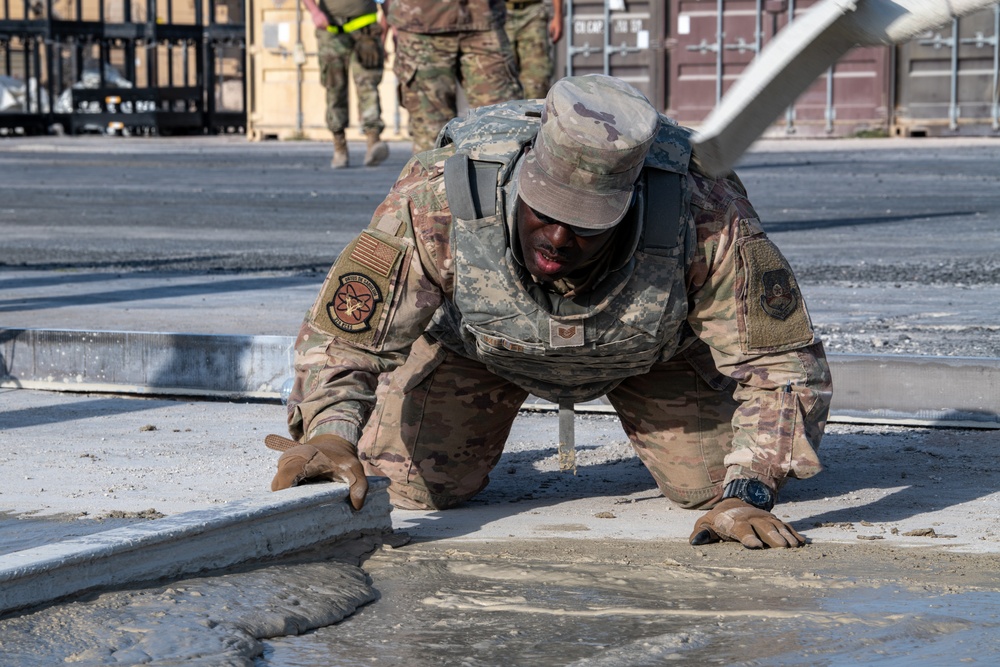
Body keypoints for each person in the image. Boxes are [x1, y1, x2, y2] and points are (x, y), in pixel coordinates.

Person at [267, 74, 833, 550]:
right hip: (477, 351)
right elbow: (345, 338)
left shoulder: (704, 212)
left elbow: (782, 362)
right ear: (521, 178)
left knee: (714, 487)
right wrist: (332, 432)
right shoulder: (440, 196)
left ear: (631, 203)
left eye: (588, 222)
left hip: (651, 356)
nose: (559, 237)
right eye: (544, 211)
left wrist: (751, 487)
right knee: (410, 484)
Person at [381, 0, 524, 154]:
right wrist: (391, 17)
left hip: (483, 20)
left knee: (502, 128)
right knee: (432, 137)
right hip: (419, 23)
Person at [300, 0, 389, 168]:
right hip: (332, 31)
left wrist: (386, 33)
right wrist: (314, 11)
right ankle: (339, 146)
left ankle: (373, 141)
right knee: (335, 88)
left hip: (366, 32)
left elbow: (386, 3)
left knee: (368, 85)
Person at [504, 0, 564, 100]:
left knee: (537, 83)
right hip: (499, 12)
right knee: (500, 81)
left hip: (533, 11)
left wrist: (558, 15)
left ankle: (534, 114)